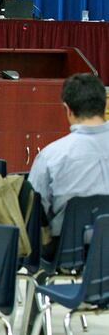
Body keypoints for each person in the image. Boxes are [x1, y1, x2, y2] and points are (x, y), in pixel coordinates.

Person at [28, 73, 109, 259]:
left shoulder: (51, 155)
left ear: (68, 109)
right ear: (105, 105)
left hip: (70, 253)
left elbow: (34, 210)